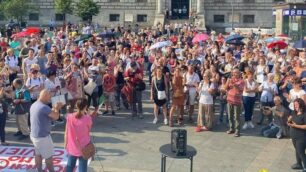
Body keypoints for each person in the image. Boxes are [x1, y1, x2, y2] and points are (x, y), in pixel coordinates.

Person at [30, 89, 63, 172]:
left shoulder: (34, 104)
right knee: (49, 158)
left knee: (38, 155)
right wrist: (57, 108)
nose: (50, 98)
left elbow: (46, 114)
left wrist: (54, 109)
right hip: (43, 137)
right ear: (44, 96)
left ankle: (39, 170)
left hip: (35, 135)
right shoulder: (44, 107)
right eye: (49, 96)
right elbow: (55, 117)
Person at [65, 98, 93, 172]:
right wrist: (88, 115)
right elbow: (88, 130)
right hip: (84, 146)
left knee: (70, 166)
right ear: (86, 106)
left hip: (72, 146)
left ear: (76, 106)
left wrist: (66, 144)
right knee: (82, 168)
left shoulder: (69, 117)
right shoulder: (88, 118)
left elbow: (66, 132)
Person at [224, 69, 244, 137]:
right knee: (230, 116)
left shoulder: (241, 81)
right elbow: (225, 88)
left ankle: (237, 131)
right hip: (229, 100)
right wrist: (227, 81)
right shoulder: (230, 79)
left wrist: (234, 84)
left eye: (236, 73)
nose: (234, 74)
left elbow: (239, 90)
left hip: (237, 101)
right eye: (233, 73)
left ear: (239, 74)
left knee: (237, 117)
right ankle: (231, 128)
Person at [287, 98, 306, 172]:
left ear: (301, 105)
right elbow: (289, 121)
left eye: (297, 105)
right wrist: (288, 121)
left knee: (301, 152)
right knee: (297, 150)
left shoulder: (304, 114)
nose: (295, 106)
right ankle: (299, 164)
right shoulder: (293, 112)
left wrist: (296, 126)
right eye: (294, 105)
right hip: (294, 136)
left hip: (301, 137)